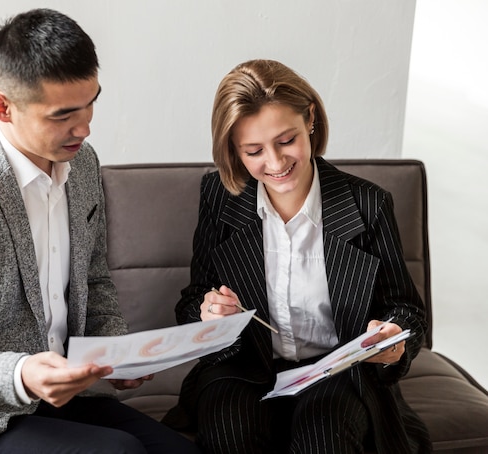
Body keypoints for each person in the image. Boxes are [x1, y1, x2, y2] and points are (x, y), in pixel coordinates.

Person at [0, 8, 200, 454]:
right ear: (3, 107)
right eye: (63, 115)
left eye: (92, 101)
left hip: (66, 400)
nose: (86, 127)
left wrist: (116, 354)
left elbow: (94, 281)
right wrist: (21, 374)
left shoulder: (83, 165)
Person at [162, 59, 432, 453]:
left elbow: (405, 308)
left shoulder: (368, 203)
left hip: (337, 369)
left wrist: (393, 340)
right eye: (253, 151)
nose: (275, 163)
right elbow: (193, 301)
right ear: (234, 151)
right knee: (230, 435)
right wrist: (209, 314)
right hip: (243, 367)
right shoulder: (219, 196)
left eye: (286, 140)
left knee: (325, 439)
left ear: (310, 119)